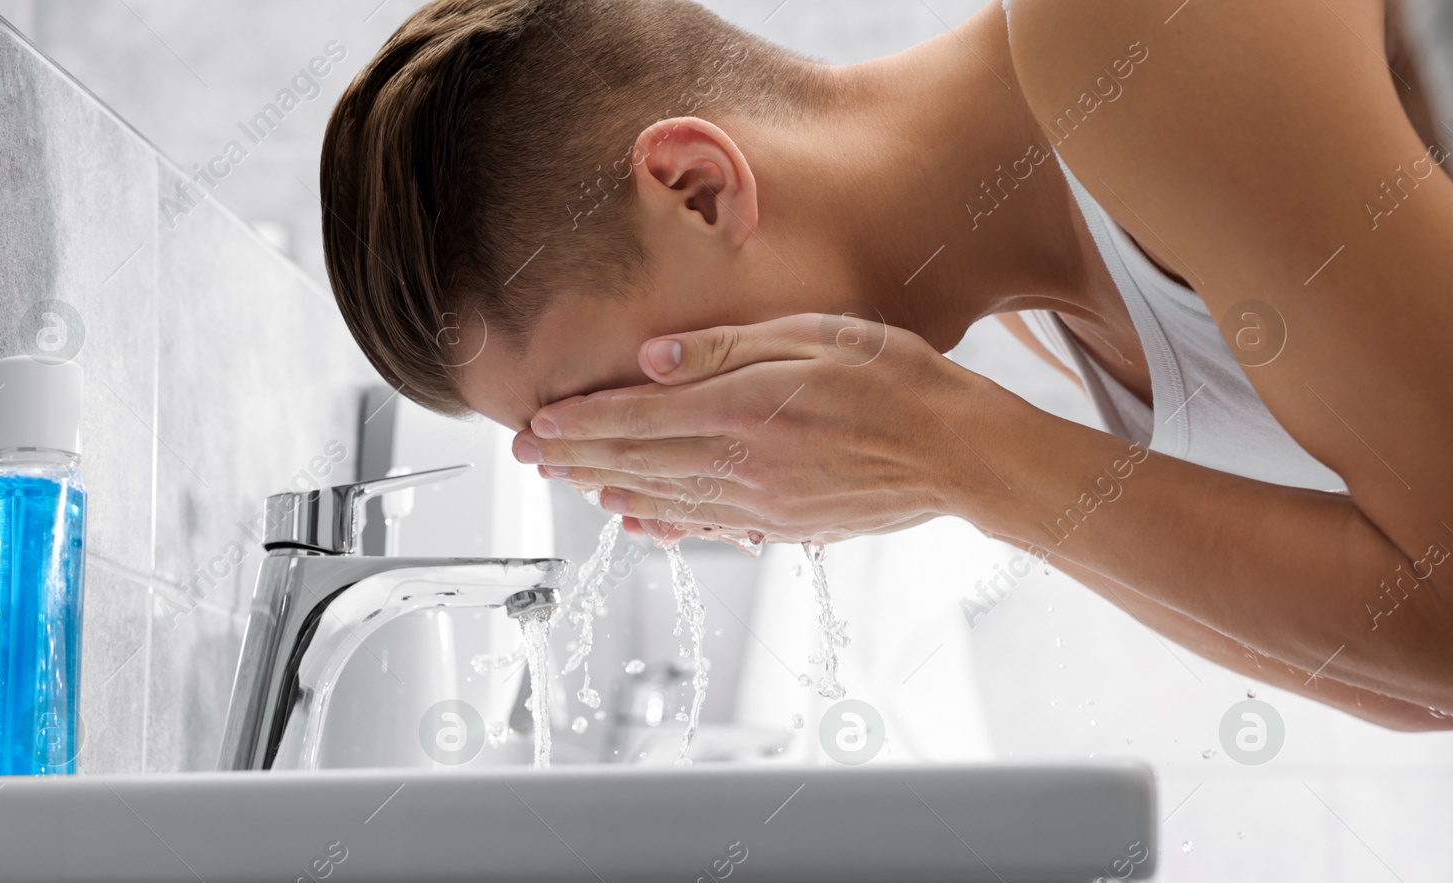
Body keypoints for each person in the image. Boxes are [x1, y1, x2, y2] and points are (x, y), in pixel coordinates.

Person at [319, 0, 1453, 728]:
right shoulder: (1031, 308)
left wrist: (961, 453)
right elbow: (1420, 685)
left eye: (611, 409)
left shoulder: (1124, 32)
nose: (671, 488)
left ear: (697, 188)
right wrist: (962, 465)